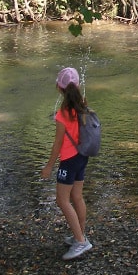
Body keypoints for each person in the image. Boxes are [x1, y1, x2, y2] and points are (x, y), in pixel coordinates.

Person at [41, 66, 93, 260]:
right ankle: (80, 234)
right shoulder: (84, 105)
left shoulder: (63, 113)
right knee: (77, 196)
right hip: (82, 157)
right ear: (77, 86)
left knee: (62, 200)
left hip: (69, 161)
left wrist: (48, 166)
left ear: (59, 88)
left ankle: (80, 242)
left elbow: (58, 144)